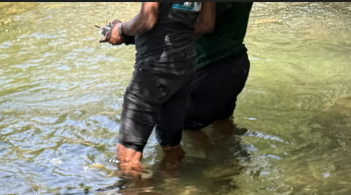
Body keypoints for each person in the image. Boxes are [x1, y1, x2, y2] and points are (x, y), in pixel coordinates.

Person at [106, 2, 216, 175]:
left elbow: (147, 20)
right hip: (185, 65)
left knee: (127, 155)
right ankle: (173, 191)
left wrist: (120, 29)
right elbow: (206, 24)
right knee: (171, 145)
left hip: (153, 68)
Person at [184, 1, 253, 134]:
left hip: (211, 68)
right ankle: (232, 154)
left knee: (190, 130)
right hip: (236, 63)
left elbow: (203, 24)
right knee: (223, 121)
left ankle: (208, 154)